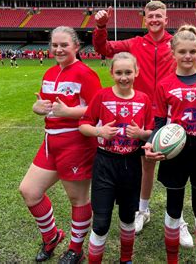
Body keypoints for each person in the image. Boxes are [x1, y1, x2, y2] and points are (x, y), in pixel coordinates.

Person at [93, 1, 196, 246]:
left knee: (175, 164)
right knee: (146, 164)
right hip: (140, 112)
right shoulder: (134, 43)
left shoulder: (176, 43)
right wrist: (100, 26)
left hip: (172, 116)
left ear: (166, 18)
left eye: (159, 15)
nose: (154, 19)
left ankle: (179, 219)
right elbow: (105, 48)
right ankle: (143, 210)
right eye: (150, 15)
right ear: (144, 19)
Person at [19, 26, 102, 263]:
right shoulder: (49, 73)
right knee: (30, 191)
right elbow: (45, 106)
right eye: (54, 45)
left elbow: (97, 109)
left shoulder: (85, 73)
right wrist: (37, 109)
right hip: (50, 142)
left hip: (76, 144)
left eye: (64, 44)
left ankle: (76, 248)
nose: (58, 49)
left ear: (76, 46)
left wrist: (70, 111)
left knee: (78, 199)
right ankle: (52, 236)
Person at [143, 25, 196, 264]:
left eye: (192, 51)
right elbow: (159, 121)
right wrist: (151, 143)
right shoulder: (164, 85)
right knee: (174, 205)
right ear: (173, 52)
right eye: (182, 52)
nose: (188, 56)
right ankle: (172, 259)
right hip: (174, 151)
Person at [79, 52, 154, 263]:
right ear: (112, 73)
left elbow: (150, 131)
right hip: (105, 164)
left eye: (128, 72)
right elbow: (84, 125)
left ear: (136, 72)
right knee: (101, 222)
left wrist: (140, 135)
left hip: (131, 165)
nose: (124, 77)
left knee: (127, 218)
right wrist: (99, 132)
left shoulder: (143, 99)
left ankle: (126, 259)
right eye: (119, 72)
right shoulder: (102, 96)